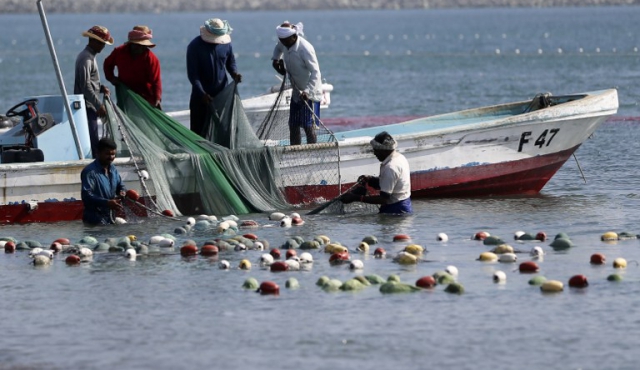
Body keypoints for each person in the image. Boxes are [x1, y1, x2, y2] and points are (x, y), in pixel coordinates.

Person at [186, 18, 242, 137]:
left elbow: (230, 63)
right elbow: (193, 75)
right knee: (199, 134)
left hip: (221, 97)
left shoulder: (226, 45)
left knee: (222, 133)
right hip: (200, 99)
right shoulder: (194, 46)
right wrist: (202, 94)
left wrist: (234, 73)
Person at [271, 21, 323, 145]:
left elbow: (316, 72)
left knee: (307, 124)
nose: (283, 44)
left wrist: (308, 91)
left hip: (309, 92)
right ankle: (295, 150)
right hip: (296, 91)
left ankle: (312, 150)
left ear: (294, 37)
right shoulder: (284, 43)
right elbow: (278, 48)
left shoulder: (305, 49)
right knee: (293, 124)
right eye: (281, 40)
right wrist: (275, 60)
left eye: (285, 41)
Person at [341, 131, 413, 214]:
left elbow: (383, 199)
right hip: (403, 204)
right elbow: (390, 183)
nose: (374, 153)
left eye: (376, 150)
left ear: (384, 150)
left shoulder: (390, 167)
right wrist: (370, 179)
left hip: (396, 210)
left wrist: (356, 198)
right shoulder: (400, 157)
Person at [74, 25, 113, 158]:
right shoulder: (86, 59)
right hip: (87, 108)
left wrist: (100, 88)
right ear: (93, 41)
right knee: (93, 143)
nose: (103, 46)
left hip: (90, 107)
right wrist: (98, 105)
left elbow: (89, 82)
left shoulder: (90, 56)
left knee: (94, 140)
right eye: (101, 43)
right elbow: (85, 86)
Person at [104, 25, 162, 108]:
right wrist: (111, 78)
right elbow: (107, 64)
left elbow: (156, 81)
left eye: (143, 45)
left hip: (145, 98)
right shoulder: (119, 52)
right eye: (138, 45)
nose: (141, 48)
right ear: (131, 44)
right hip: (125, 95)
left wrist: (157, 99)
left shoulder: (151, 59)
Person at [80, 137, 127, 225]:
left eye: (113, 154)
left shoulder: (113, 169)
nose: (111, 157)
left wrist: (122, 192)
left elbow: (121, 186)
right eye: (107, 154)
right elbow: (86, 196)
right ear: (98, 153)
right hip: (94, 220)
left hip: (110, 217)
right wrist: (106, 203)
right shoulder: (89, 172)